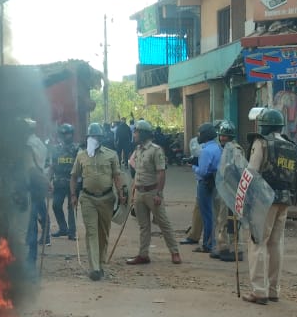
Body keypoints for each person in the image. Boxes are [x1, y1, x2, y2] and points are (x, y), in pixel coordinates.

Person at [241, 108, 297, 304]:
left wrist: (241, 199)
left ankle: (259, 291)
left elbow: (251, 171)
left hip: (264, 200)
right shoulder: (291, 146)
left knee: (257, 243)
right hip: (285, 199)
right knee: (275, 244)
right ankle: (273, 290)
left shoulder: (261, 142)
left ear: (264, 126)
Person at [71, 122, 126, 280]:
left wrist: (122, 193)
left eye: (97, 136)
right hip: (87, 198)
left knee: (103, 233)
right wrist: (73, 195)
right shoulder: (81, 155)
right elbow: (74, 176)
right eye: (92, 136)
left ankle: (101, 263)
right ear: (88, 138)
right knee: (91, 232)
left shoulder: (111, 155)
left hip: (107, 199)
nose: (95, 139)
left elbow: (117, 176)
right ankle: (94, 268)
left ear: (101, 138)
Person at [126, 120, 182, 266]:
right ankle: (143, 255)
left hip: (152, 193)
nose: (134, 134)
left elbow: (161, 173)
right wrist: (133, 191)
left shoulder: (156, 150)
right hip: (139, 192)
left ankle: (175, 252)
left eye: (136, 131)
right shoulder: (137, 150)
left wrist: (158, 193)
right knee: (143, 226)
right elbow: (137, 173)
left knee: (163, 223)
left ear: (143, 133)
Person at [212, 121, 242, 262]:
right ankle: (223, 247)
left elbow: (239, 169)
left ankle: (233, 248)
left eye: (225, 136)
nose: (222, 138)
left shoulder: (235, 149)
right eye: (221, 135)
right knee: (222, 219)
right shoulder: (224, 148)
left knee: (231, 221)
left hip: (232, 190)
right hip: (224, 189)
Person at [193, 121, 221, 254]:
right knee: (212, 214)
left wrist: (193, 166)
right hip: (215, 182)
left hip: (205, 183)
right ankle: (212, 242)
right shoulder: (218, 148)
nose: (198, 136)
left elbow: (202, 171)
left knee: (207, 215)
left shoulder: (205, 151)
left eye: (200, 134)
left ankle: (208, 244)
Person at [25, 120, 50, 258]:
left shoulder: (26, 146)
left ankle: (29, 259)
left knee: (30, 221)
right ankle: (46, 237)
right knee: (38, 213)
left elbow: (31, 168)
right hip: (39, 182)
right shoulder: (40, 143)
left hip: (29, 184)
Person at [49, 123, 79, 240]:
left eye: (68, 134)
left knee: (72, 208)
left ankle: (72, 232)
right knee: (56, 205)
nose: (66, 136)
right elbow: (52, 166)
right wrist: (48, 180)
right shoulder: (56, 149)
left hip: (73, 183)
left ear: (72, 134)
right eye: (64, 134)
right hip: (59, 183)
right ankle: (63, 228)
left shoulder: (77, 149)